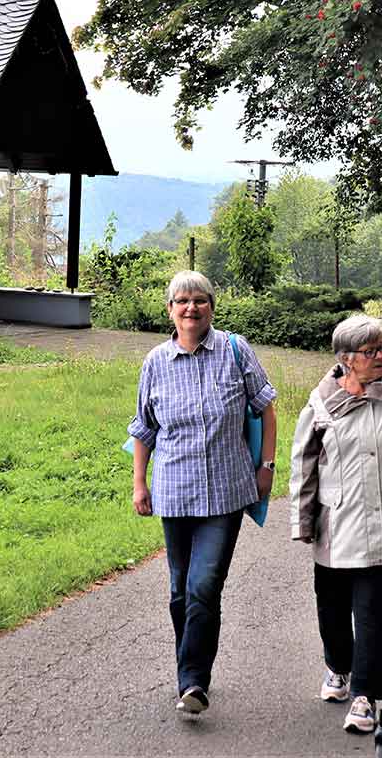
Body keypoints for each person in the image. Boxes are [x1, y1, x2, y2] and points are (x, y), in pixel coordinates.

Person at [128, 270, 278, 716]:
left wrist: (266, 466)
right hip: (174, 492)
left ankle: (194, 680)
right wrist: (140, 482)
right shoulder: (156, 361)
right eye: (182, 301)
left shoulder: (234, 350)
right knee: (179, 590)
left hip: (226, 492)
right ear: (170, 309)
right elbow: (143, 428)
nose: (191, 308)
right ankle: (188, 669)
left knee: (203, 585)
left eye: (200, 300)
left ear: (212, 306)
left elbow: (266, 411)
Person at [291, 315, 382, 734]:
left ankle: (365, 694)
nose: (381, 357)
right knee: (331, 608)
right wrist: (302, 520)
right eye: (371, 352)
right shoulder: (321, 400)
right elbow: (303, 464)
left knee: (373, 608)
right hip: (334, 522)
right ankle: (338, 666)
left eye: (381, 349)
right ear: (346, 360)